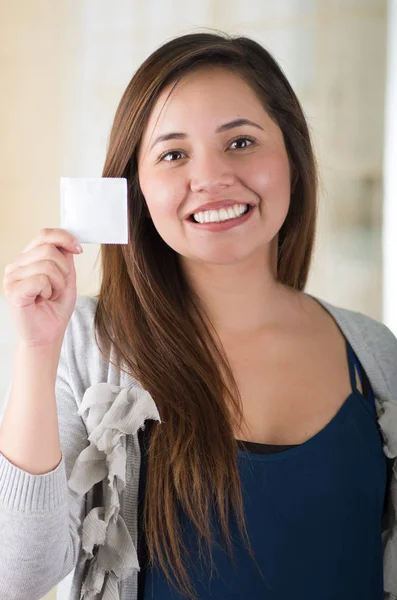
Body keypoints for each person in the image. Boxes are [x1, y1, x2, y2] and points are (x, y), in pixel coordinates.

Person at [0, 31, 397, 600]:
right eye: (173, 154)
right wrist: (38, 351)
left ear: (293, 154)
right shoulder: (86, 346)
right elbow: (15, 574)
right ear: (134, 189)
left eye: (240, 143)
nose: (210, 178)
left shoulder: (375, 352)